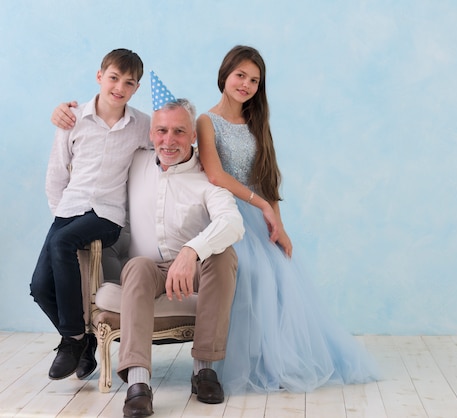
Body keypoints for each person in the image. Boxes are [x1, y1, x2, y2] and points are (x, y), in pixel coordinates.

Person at [51, 45, 379, 394]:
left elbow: (265, 180)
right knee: (232, 275)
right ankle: (138, 378)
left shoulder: (243, 138)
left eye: (254, 79)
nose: (246, 84)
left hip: (246, 217)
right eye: (240, 75)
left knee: (266, 281)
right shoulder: (194, 129)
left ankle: (245, 364)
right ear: (225, 75)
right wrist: (70, 112)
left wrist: (275, 220)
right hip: (221, 219)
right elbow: (212, 172)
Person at [119, 96, 244, 417]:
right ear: (151, 133)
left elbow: (232, 223)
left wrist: (191, 251)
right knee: (136, 267)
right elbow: (99, 140)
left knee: (223, 256)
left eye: (179, 131)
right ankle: (138, 383)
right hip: (150, 270)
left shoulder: (208, 178)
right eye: (161, 131)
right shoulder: (134, 163)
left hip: (194, 267)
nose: (169, 140)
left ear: (193, 136)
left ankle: (204, 369)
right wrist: (67, 115)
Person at [32, 48, 150, 382]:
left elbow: (167, 144)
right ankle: (87, 344)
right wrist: (62, 216)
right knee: (40, 286)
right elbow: (56, 176)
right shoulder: (73, 118)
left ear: (136, 88)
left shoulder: (141, 124)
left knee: (64, 243)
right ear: (100, 77)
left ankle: (70, 339)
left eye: (129, 83)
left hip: (108, 215)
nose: (119, 87)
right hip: (69, 210)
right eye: (114, 78)